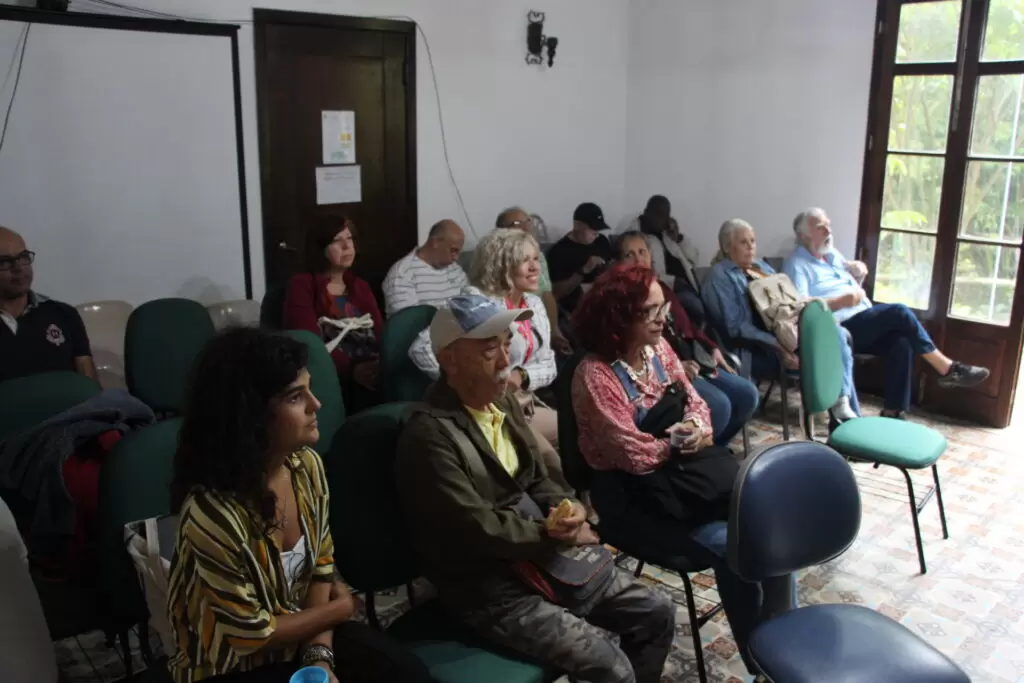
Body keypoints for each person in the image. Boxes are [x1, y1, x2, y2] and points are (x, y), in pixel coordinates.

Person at [395, 295, 675, 683]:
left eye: (507, 343)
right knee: (610, 665)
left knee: (657, 611)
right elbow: (476, 528)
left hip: (540, 557)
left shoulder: (503, 402)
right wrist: (552, 534)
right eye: (489, 349)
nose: (505, 360)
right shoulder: (429, 436)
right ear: (449, 359)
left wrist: (567, 506)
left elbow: (538, 478)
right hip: (488, 585)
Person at [167, 328, 430, 683]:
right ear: (251, 416)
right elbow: (252, 635)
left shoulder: (306, 465)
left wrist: (318, 658)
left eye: (309, 389)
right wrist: (341, 608)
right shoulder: (210, 513)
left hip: (301, 636)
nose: (315, 404)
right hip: (231, 666)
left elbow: (321, 567)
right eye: (295, 397)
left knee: (406, 672)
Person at [571, 265, 792, 681]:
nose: (663, 318)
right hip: (633, 499)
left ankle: (784, 644)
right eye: (651, 311)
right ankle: (763, 663)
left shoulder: (658, 350)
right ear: (619, 316)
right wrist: (679, 443)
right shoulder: (596, 375)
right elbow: (633, 455)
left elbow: (697, 404)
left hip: (682, 482)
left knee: (769, 526)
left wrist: (695, 429)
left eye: (663, 308)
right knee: (736, 546)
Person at [786, 208, 990, 418]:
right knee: (899, 312)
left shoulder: (832, 256)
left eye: (828, 224)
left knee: (900, 343)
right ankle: (947, 368)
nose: (828, 230)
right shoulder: (796, 264)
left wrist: (857, 274)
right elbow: (801, 307)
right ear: (804, 235)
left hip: (862, 320)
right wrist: (839, 302)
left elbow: (849, 288)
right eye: (821, 227)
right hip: (838, 328)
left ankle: (894, 412)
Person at [410, 229, 561, 449]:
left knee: (577, 432)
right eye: (524, 260)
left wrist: (522, 375)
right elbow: (421, 349)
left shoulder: (533, 304)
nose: (535, 267)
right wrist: (470, 382)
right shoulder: (477, 301)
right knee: (547, 457)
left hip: (521, 404)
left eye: (536, 259)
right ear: (501, 265)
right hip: (483, 408)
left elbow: (549, 364)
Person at [703, 219, 859, 421]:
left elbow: (790, 302)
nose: (751, 247)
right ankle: (844, 416)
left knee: (836, 333)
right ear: (727, 246)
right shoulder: (720, 276)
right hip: (756, 349)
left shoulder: (760, 267)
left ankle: (843, 407)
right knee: (830, 348)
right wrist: (778, 346)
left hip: (787, 335)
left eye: (753, 241)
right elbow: (736, 327)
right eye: (743, 242)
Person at [617, 231, 758, 446]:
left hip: (695, 358)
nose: (638, 259)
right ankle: (701, 453)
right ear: (619, 262)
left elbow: (689, 326)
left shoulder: (662, 288)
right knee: (720, 405)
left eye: (642, 252)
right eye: (629, 255)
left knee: (748, 394)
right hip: (666, 372)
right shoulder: (620, 300)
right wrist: (674, 367)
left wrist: (712, 347)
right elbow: (634, 352)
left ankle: (715, 446)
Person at [283, 217, 382, 406]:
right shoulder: (302, 285)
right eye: (337, 240)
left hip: (371, 372)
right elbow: (308, 342)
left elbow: (379, 333)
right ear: (320, 248)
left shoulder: (360, 286)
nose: (347, 246)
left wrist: (379, 365)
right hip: (329, 377)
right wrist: (353, 370)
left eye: (350, 238)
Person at [0, 226, 97, 383]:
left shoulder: (64, 314)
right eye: (4, 262)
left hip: (68, 399)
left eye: (23, 257)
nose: (18, 268)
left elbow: (89, 386)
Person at [495, 207, 572, 353]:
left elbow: (546, 294)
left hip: (541, 319)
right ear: (502, 232)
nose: (526, 228)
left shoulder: (538, 256)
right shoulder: (496, 261)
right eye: (517, 223)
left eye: (528, 222)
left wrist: (554, 331)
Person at [622, 196, 704, 324]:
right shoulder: (636, 237)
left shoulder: (667, 234)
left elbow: (693, 260)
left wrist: (679, 239)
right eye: (658, 214)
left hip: (689, 287)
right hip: (666, 291)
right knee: (696, 310)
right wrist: (672, 281)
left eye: (665, 216)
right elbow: (640, 273)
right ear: (646, 213)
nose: (662, 220)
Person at [382, 219, 467, 317]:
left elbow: (470, 304)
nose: (456, 257)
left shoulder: (455, 269)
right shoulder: (402, 275)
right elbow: (409, 322)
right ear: (436, 242)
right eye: (453, 250)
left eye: (458, 252)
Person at [546, 202, 616, 317]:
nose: (596, 233)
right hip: (576, 310)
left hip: (606, 302)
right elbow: (557, 293)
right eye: (592, 228)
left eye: (598, 229)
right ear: (577, 225)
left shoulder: (601, 241)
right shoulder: (559, 252)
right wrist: (584, 270)